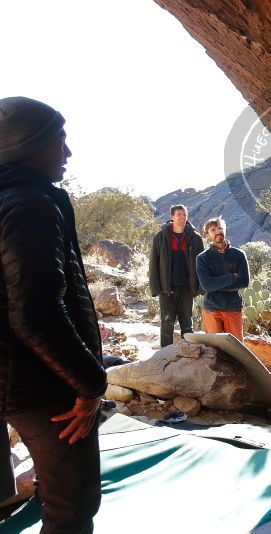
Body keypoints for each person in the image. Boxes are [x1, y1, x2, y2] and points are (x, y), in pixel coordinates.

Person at [0, 96, 107, 532]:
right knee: (72, 506)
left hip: (13, 378)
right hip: (42, 386)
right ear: (28, 145)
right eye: (58, 141)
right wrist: (89, 384)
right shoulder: (31, 206)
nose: (67, 153)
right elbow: (36, 311)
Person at [149, 204, 205, 347]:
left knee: (187, 322)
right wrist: (156, 288)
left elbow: (201, 263)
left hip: (187, 287)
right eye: (178, 215)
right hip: (166, 287)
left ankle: (189, 352)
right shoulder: (160, 237)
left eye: (184, 215)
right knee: (167, 322)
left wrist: (200, 287)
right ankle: (164, 355)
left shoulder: (195, 238)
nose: (182, 217)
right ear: (172, 217)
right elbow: (154, 263)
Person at [195, 217, 250, 341]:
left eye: (220, 228)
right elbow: (206, 285)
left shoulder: (239, 255)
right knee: (215, 349)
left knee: (237, 349)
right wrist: (232, 277)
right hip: (212, 309)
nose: (218, 232)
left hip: (233, 308)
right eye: (213, 230)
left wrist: (216, 283)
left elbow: (244, 282)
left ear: (225, 230)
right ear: (207, 235)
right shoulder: (202, 258)